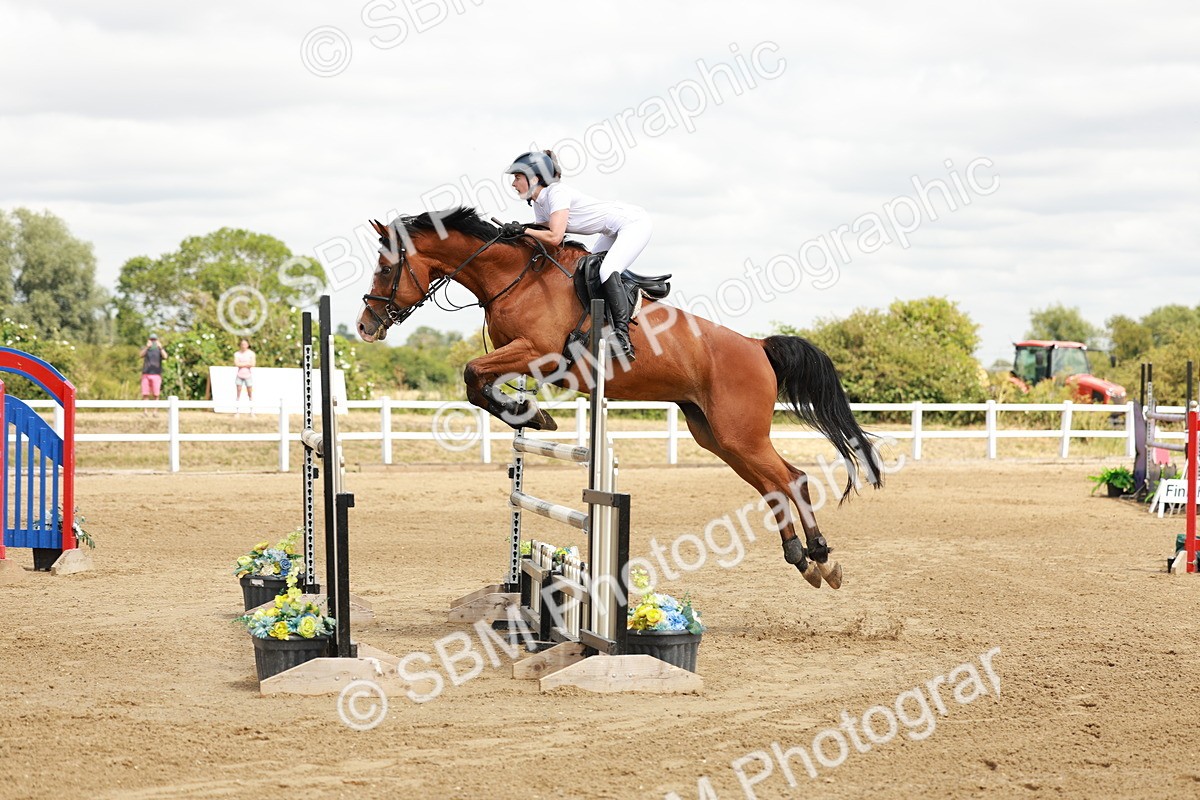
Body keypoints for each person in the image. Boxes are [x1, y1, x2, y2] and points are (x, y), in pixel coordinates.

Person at [503, 149, 651, 360]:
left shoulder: (556, 193)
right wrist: (515, 233)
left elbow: (555, 237)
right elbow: (541, 235)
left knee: (607, 270)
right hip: (610, 230)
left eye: (517, 177)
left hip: (633, 223)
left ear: (534, 179)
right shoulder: (539, 203)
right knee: (587, 271)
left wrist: (524, 230)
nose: (513, 184)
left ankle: (622, 338)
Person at [139, 333, 166, 414]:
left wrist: (161, 348)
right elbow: (141, 355)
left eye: (154, 340)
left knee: (156, 394)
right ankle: (145, 411)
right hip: (146, 373)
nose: (153, 341)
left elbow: (165, 356)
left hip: (156, 374)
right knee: (145, 393)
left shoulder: (159, 349)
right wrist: (147, 347)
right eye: (151, 340)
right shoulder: (146, 349)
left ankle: (155, 411)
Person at [233, 338, 257, 416]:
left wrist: (242, 364)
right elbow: (236, 364)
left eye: (245, 344)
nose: (243, 346)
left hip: (248, 375)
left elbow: (253, 364)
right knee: (238, 393)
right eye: (242, 344)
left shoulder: (251, 353)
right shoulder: (237, 354)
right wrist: (247, 363)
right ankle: (237, 411)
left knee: (250, 393)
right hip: (239, 375)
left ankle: (252, 411)